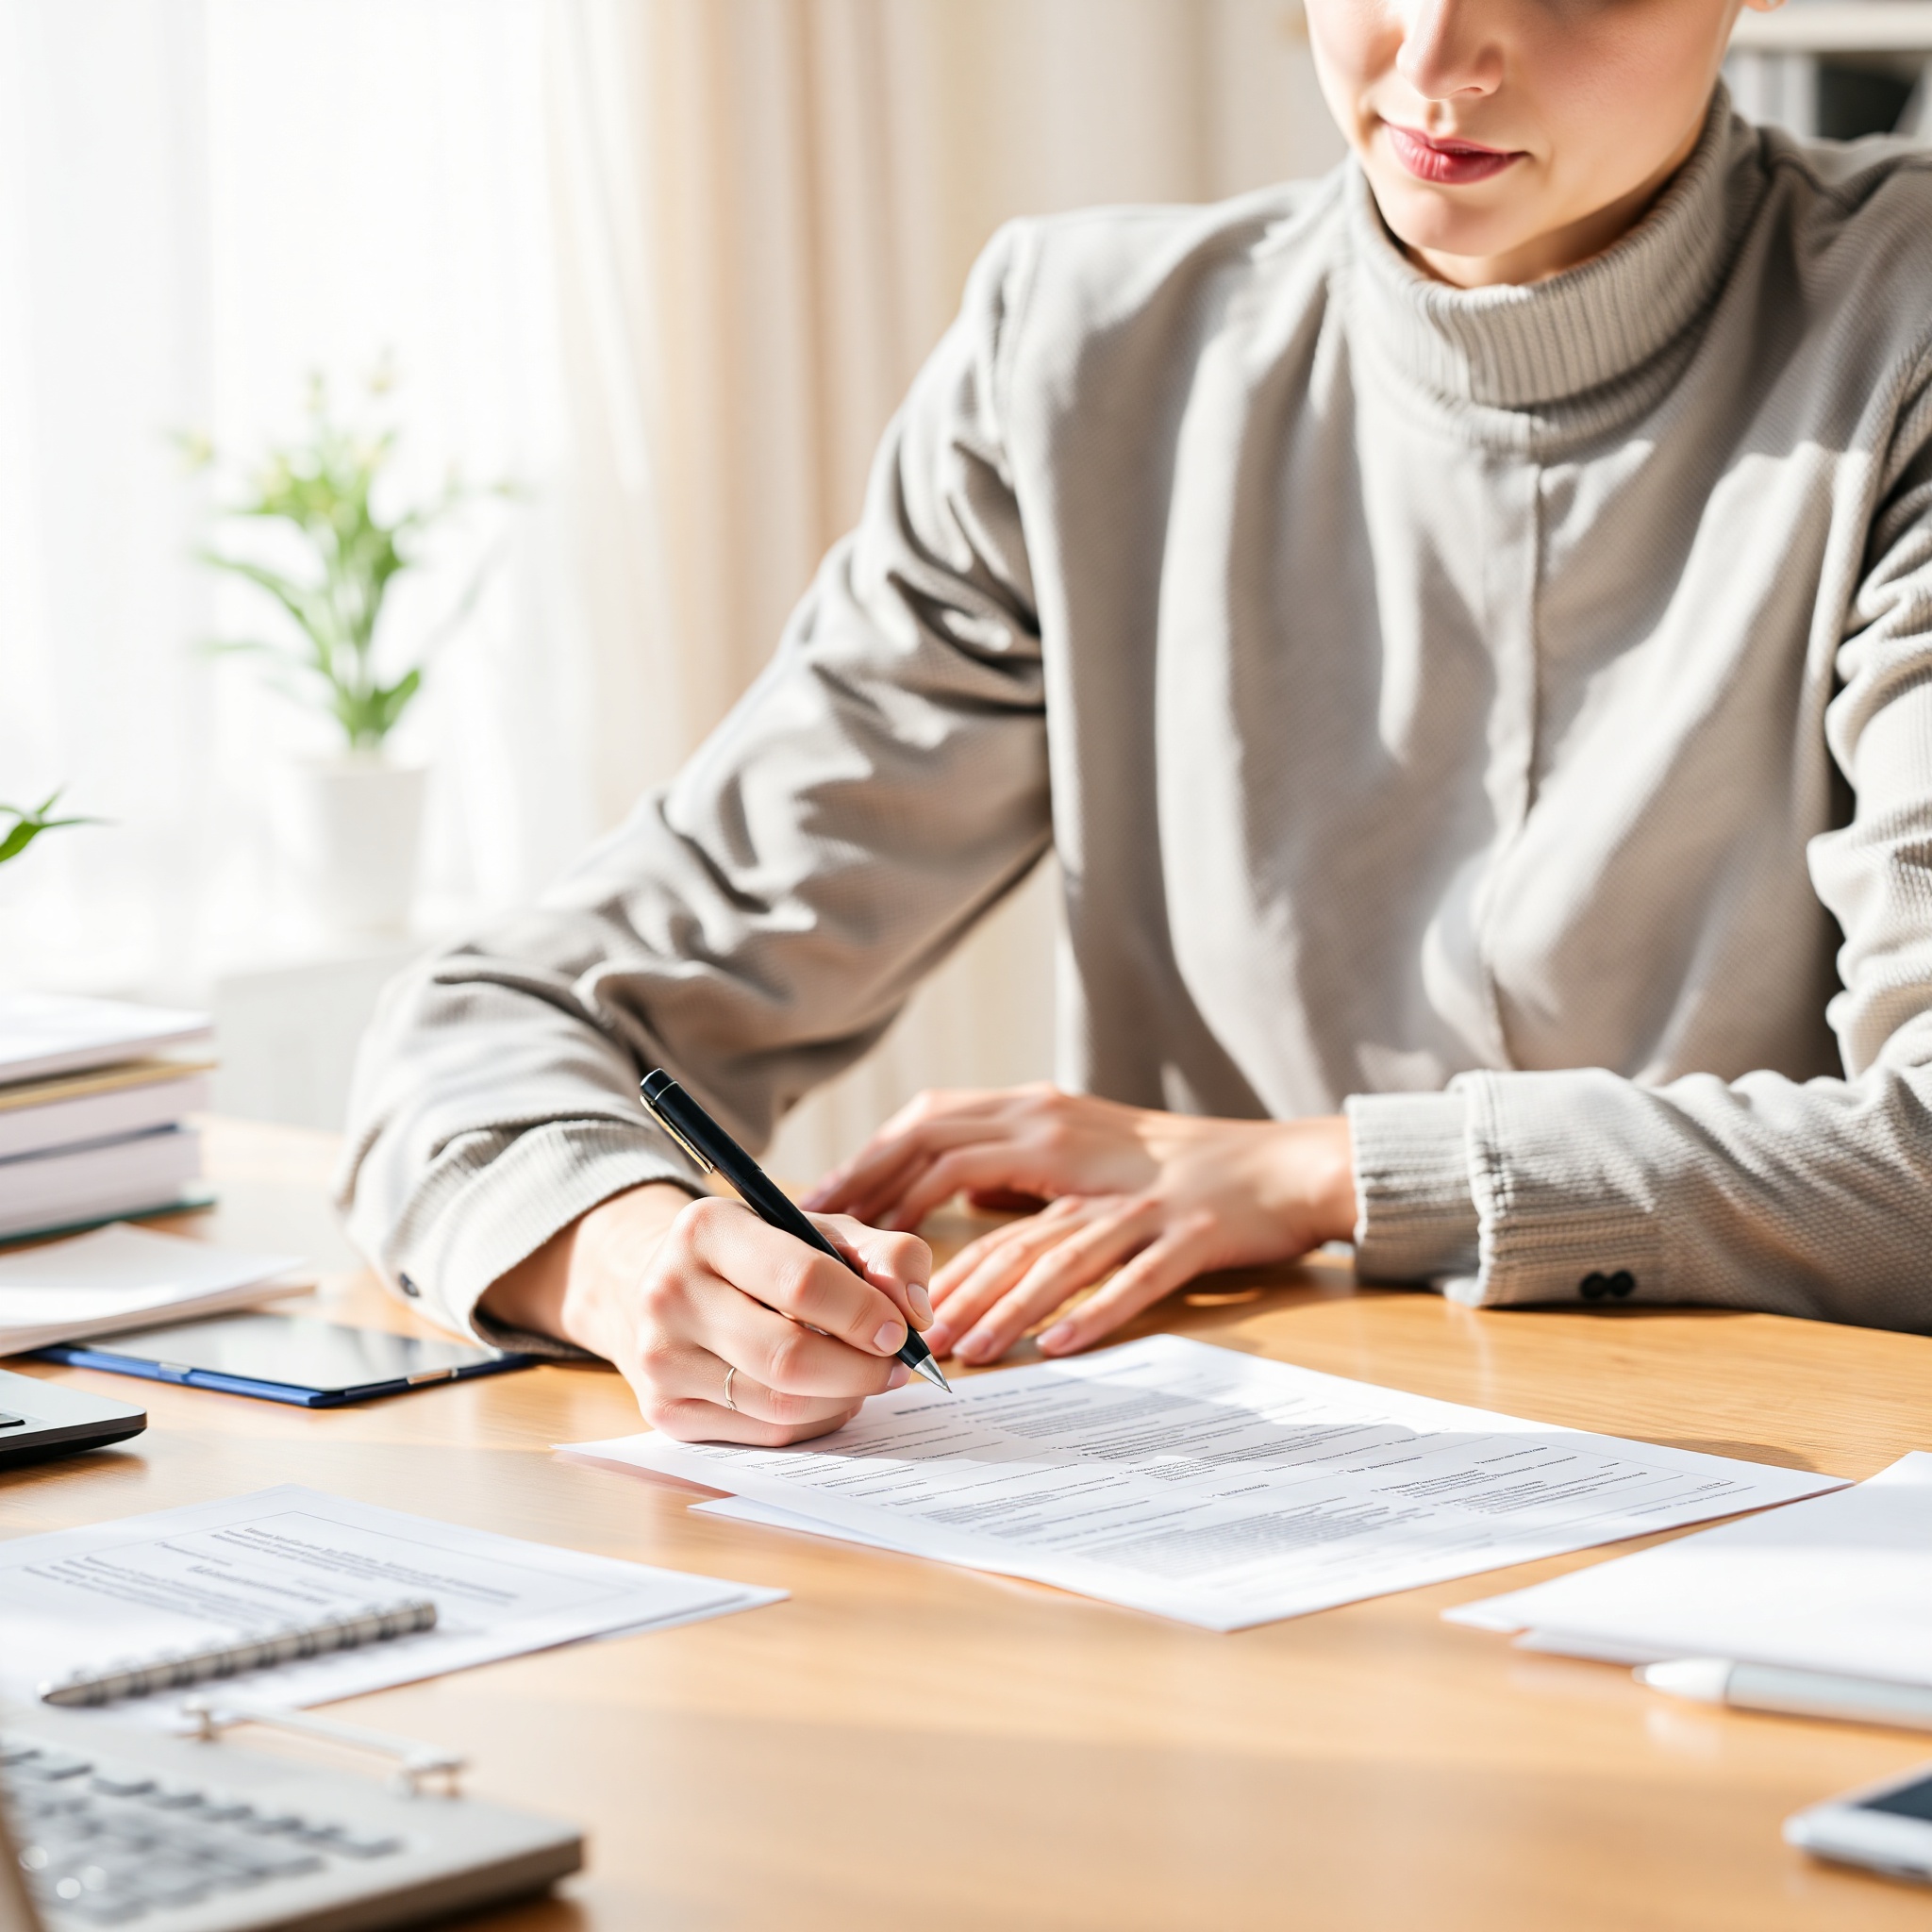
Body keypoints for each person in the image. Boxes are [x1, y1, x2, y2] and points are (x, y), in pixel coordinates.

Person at [341, 0, 1932, 1446]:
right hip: (1223, 1537)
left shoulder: (1900, 337)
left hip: (1801, 1543)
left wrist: (1323, 1175)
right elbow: (496, 1018)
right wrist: (626, 1260)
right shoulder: (1086, 360)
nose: (1439, 55)